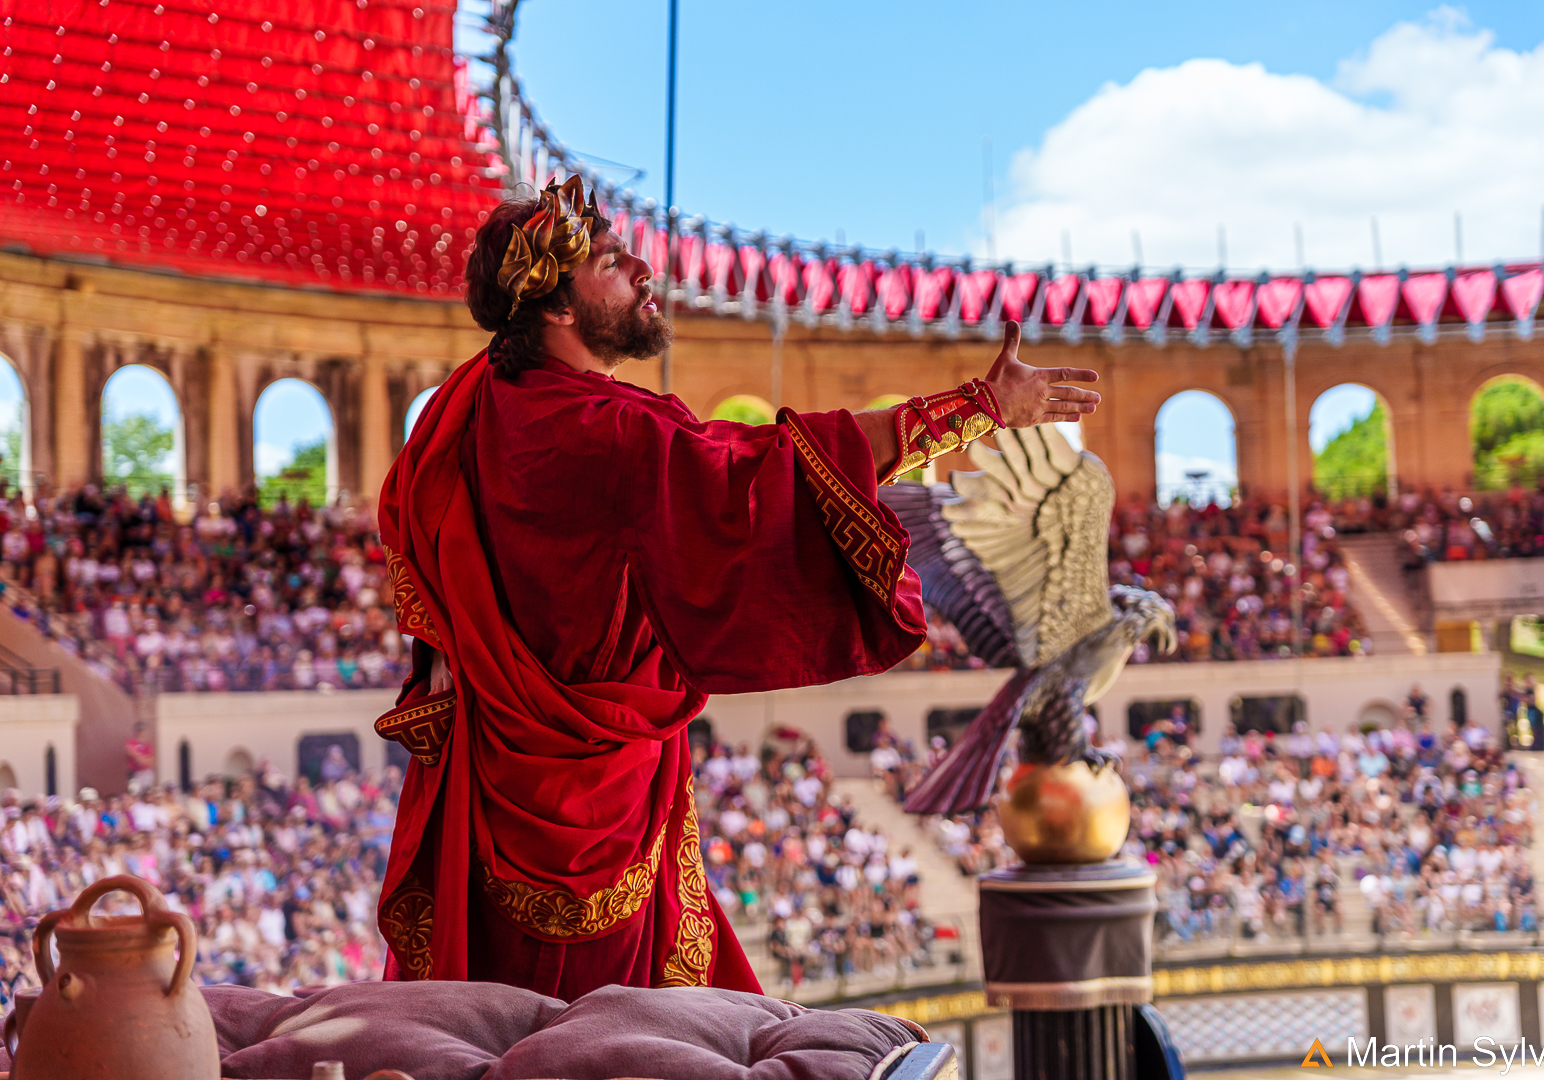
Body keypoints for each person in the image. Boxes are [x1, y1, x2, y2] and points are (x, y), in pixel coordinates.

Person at [371, 175, 1100, 1000]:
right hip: (597, 802)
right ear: (559, 308)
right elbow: (762, 474)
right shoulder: (605, 432)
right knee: (603, 1037)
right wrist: (978, 406)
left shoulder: (467, 410)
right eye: (613, 262)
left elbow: (414, 542)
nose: (645, 270)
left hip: (486, 785)